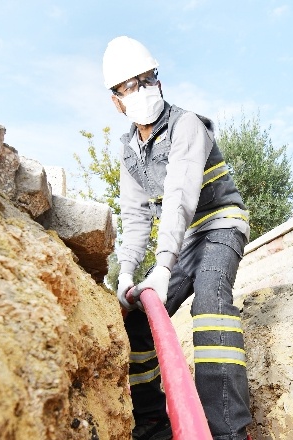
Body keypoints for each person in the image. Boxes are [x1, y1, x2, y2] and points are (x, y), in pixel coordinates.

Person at [102, 36, 252, 440]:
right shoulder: (129, 152)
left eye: (147, 78)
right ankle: (153, 424)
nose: (142, 89)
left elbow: (179, 195)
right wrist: (127, 273)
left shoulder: (187, 125)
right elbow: (135, 217)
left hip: (220, 223)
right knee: (137, 322)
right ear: (116, 101)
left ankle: (228, 431)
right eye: (129, 85)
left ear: (159, 80)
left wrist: (164, 264)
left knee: (210, 302)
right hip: (186, 241)